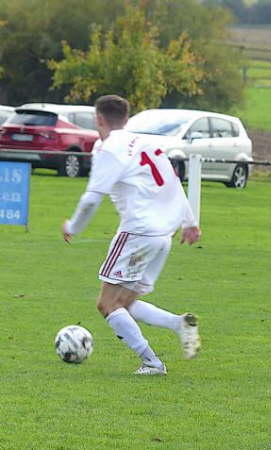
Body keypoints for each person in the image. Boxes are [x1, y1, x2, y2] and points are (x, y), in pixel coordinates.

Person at [62, 94, 201, 375]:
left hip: (138, 232)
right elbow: (172, 182)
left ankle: (152, 362)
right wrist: (190, 222)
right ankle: (179, 323)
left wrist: (72, 227)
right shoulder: (148, 143)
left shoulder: (109, 149)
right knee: (126, 302)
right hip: (164, 235)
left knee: (106, 304)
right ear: (126, 118)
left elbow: (91, 199)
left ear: (98, 119)